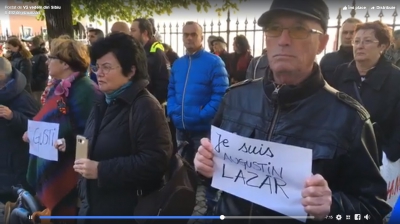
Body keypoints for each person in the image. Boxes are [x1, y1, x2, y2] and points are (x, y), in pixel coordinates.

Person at [194, 0, 392, 223]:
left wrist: (332, 207)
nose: (284, 41)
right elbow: (211, 170)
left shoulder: (350, 119)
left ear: (322, 42)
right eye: (274, 29)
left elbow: (372, 210)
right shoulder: (235, 98)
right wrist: (204, 166)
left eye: (299, 29)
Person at [72, 33, 172, 224]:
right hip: (96, 206)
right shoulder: (104, 100)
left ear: (131, 70)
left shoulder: (145, 107)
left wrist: (102, 170)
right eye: (97, 67)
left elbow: (156, 161)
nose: (98, 73)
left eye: (106, 67)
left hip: (127, 211)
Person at [22, 37, 101, 223]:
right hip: (53, 160)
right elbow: (46, 118)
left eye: (52, 57)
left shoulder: (87, 90)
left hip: (71, 168)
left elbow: (91, 132)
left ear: (65, 63)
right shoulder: (58, 87)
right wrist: (32, 132)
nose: (47, 61)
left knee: (67, 214)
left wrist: (70, 143)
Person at [167, 21, 229, 216]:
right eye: (186, 34)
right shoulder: (178, 64)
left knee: (208, 175)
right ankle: (185, 210)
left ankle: (210, 213)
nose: (189, 38)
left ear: (201, 36)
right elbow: (171, 91)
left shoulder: (214, 62)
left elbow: (221, 95)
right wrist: (174, 111)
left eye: (194, 34)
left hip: (203, 129)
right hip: (181, 128)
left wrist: (203, 114)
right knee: (183, 174)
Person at [326, 21, 400, 164]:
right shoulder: (341, 72)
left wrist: (389, 154)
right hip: (340, 154)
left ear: (382, 46)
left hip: (377, 159)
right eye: (357, 41)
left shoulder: (396, 79)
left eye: (367, 41)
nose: (360, 46)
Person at [0, 57, 39, 206]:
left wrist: (13, 116)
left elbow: (38, 126)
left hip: (15, 167)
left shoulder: (22, 98)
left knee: (19, 210)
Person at [130, 18, 170, 103]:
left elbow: (162, 83)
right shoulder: (138, 51)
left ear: (145, 33)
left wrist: (151, 102)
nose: (130, 34)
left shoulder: (156, 54)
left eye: (133, 30)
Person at [320, 18, 362, 83]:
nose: (348, 36)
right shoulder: (327, 60)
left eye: (352, 33)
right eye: (345, 32)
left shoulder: (365, 60)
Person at [22, 36, 49, 103]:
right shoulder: (32, 56)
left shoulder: (41, 57)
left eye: (30, 43)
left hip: (38, 89)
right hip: (32, 88)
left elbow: (43, 74)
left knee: (38, 107)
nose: (28, 45)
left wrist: (32, 83)